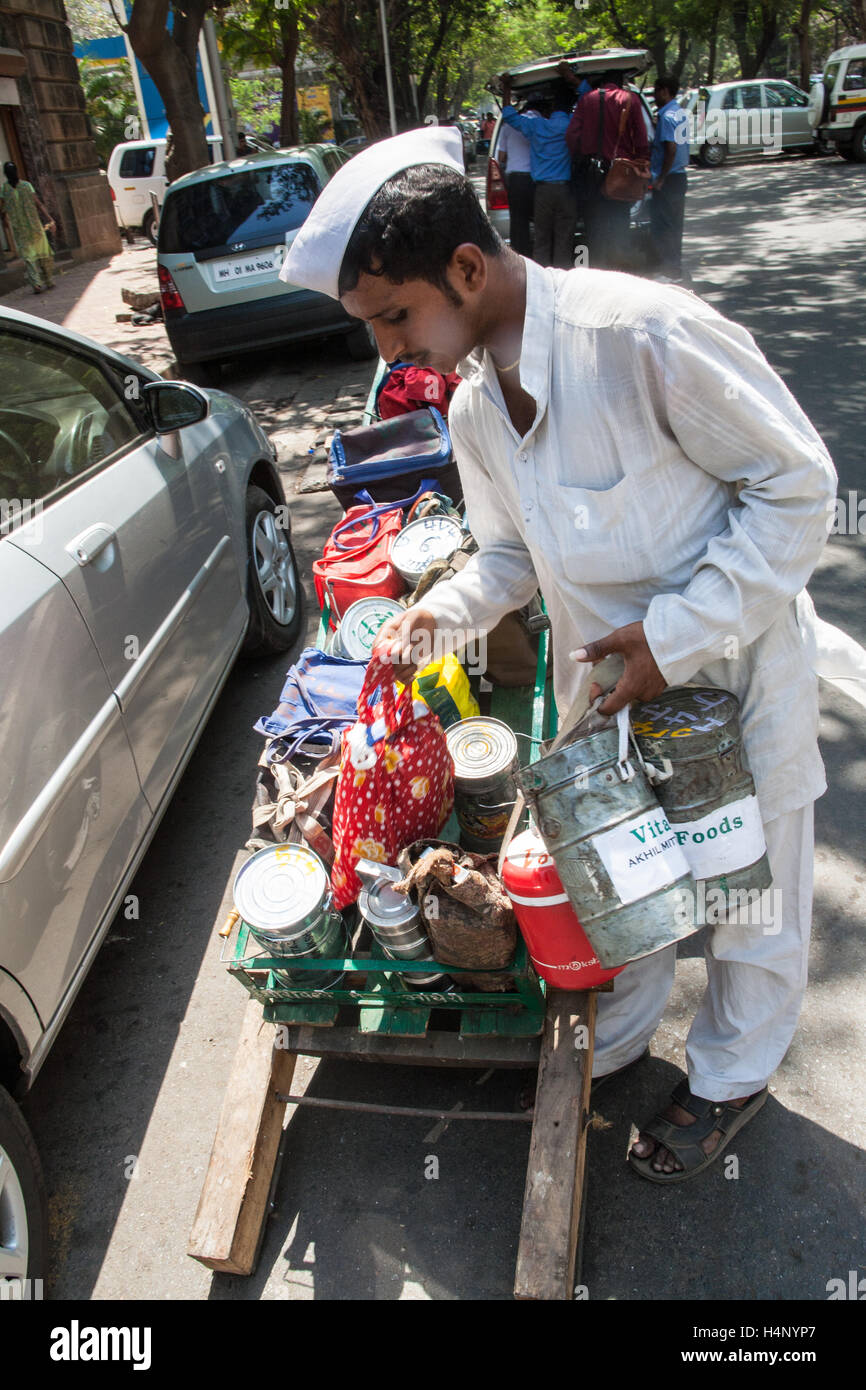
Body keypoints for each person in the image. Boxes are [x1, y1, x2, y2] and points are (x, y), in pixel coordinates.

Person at [280, 129, 847, 1183]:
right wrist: (432, 619)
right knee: (623, 886)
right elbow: (507, 554)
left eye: (394, 317)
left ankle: (726, 1075)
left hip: (730, 674)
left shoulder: (640, 335)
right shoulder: (469, 405)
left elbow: (798, 487)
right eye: (372, 329)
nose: (388, 352)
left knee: (745, 892)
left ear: (462, 267)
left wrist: (672, 638)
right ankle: (614, 1040)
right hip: (610, 700)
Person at [565, 69, 649, 270]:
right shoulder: (630, 100)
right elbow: (641, 140)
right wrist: (641, 165)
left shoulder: (587, 100)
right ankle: (619, 273)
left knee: (595, 231)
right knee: (620, 226)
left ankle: (599, 273)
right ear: (620, 83)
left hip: (591, 176)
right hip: (623, 175)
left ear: (601, 83)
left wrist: (582, 155)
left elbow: (571, 136)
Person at [500, 74, 577, 269]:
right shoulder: (572, 126)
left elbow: (509, 115)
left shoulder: (537, 126)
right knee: (564, 238)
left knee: (541, 239)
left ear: (552, 108)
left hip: (542, 192)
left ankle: (542, 279)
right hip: (566, 191)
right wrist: (575, 78)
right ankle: (563, 277)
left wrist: (507, 88)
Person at [650, 74, 690, 281]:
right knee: (675, 225)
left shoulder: (666, 116)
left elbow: (671, 149)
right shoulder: (679, 112)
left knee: (663, 225)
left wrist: (660, 179)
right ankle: (674, 268)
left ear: (665, 91)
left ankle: (669, 270)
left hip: (669, 178)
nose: (654, 96)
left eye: (656, 91)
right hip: (679, 177)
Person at [0, 161, 56, 294]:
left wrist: (5, 221)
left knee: (29, 258)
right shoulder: (26, 186)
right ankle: (48, 280)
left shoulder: (5, 189)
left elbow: (2, 208)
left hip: (21, 231)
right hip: (34, 227)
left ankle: (36, 283)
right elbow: (39, 204)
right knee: (44, 256)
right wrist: (50, 219)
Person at [496, 109, 535, 257]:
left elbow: (501, 156)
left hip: (516, 179)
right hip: (536, 180)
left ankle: (520, 255)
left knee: (518, 220)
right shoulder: (541, 124)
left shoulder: (507, 127)